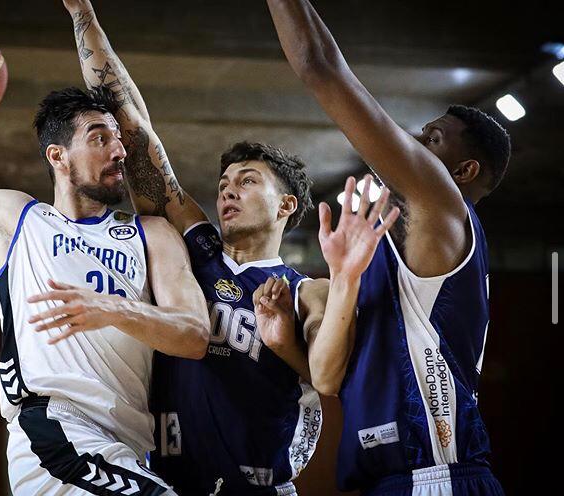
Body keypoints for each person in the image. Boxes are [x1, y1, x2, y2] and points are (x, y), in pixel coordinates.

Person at [60, 2, 399, 495]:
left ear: (285, 204)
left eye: (246, 180)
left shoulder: (305, 292)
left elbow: (330, 378)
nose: (226, 191)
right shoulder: (192, 247)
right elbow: (133, 129)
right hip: (167, 483)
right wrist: (82, 13)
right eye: (223, 183)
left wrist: (292, 332)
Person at [0, 38, 211, 495]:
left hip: (128, 447)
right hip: (54, 437)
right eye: (99, 138)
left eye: (119, 140)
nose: (119, 151)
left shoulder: (153, 235)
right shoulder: (13, 218)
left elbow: (195, 336)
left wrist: (111, 309)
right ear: (57, 156)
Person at [266, 1, 512, 494]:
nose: (416, 143)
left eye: (433, 139)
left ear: (462, 173)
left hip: (433, 476)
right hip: (393, 479)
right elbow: (330, 379)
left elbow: (320, 67)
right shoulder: (390, 248)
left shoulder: (441, 204)